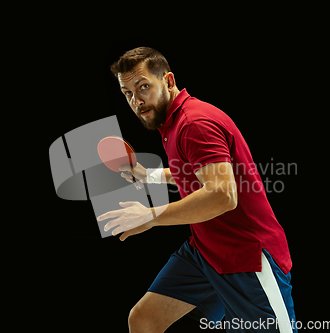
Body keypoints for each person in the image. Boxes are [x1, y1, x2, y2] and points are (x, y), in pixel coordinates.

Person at [97, 47, 296, 333]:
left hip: (246, 255)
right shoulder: (174, 122)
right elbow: (194, 175)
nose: (136, 101)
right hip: (206, 251)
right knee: (144, 320)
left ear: (168, 80)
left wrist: (151, 216)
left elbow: (222, 195)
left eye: (143, 87)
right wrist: (146, 175)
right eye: (127, 93)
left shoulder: (195, 123)